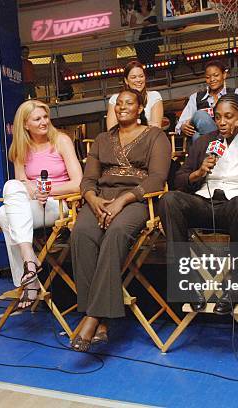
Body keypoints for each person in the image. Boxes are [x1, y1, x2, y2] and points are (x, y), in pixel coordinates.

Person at [70, 89, 171, 352]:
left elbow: (157, 178)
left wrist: (123, 200)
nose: (122, 107)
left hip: (138, 199)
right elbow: (89, 179)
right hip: (101, 198)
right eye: (118, 104)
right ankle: (100, 319)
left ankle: (92, 318)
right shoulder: (103, 139)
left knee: (115, 233)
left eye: (129, 103)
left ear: (140, 109)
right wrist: (92, 200)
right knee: (81, 233)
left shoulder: (155, 136)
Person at [160, 93, 238, 314]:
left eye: (229, 117)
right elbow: (179, 179)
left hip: (234, 207)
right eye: (218, 117)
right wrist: (199, 172)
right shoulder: (204, 142)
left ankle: (234, 286)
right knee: (169, 199)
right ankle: (187, 281)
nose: (221, 122)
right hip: (204, 203)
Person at [0, 100, 82, 310]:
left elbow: (78, 183)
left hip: (60, 203)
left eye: (45, 117)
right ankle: (31, 263)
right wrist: (34, 192)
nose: (44, 122)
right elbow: (21, 183)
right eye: (37, 119)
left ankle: (28, 275)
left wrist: (46, 191)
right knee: (10, 192)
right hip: (34, 203)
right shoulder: (19, 147)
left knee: (4, 215)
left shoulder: (61, 140)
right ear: (25, 124)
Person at [176, 60, 238, 142]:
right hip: (205, 142)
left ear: (224, 75)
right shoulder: (195, 98)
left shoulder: (237, 93)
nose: (212, 79)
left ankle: (218, 144)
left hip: (232, 139)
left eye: (216, 75)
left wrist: (230, 126)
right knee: (199, 122)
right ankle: (218, 145)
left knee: (198, 127)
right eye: (207, 77)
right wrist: (183, 127)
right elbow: (179, 125)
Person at [106, 60, 163, 130]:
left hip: (148, 140)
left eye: (141, 76)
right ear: (126, 80)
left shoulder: (154, 96)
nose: (138, 80)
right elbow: (111, 131)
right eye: (133, 77)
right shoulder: (115, 99)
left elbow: (156, 128)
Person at [130, 0, 162, 67]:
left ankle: (151, 75)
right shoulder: (135, 13)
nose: (143, 1)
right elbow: (132, 26)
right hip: (140, 39)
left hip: (150, 39)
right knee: (142, 61)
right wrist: (143, 24)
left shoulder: (153, 12)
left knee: (151, 60)